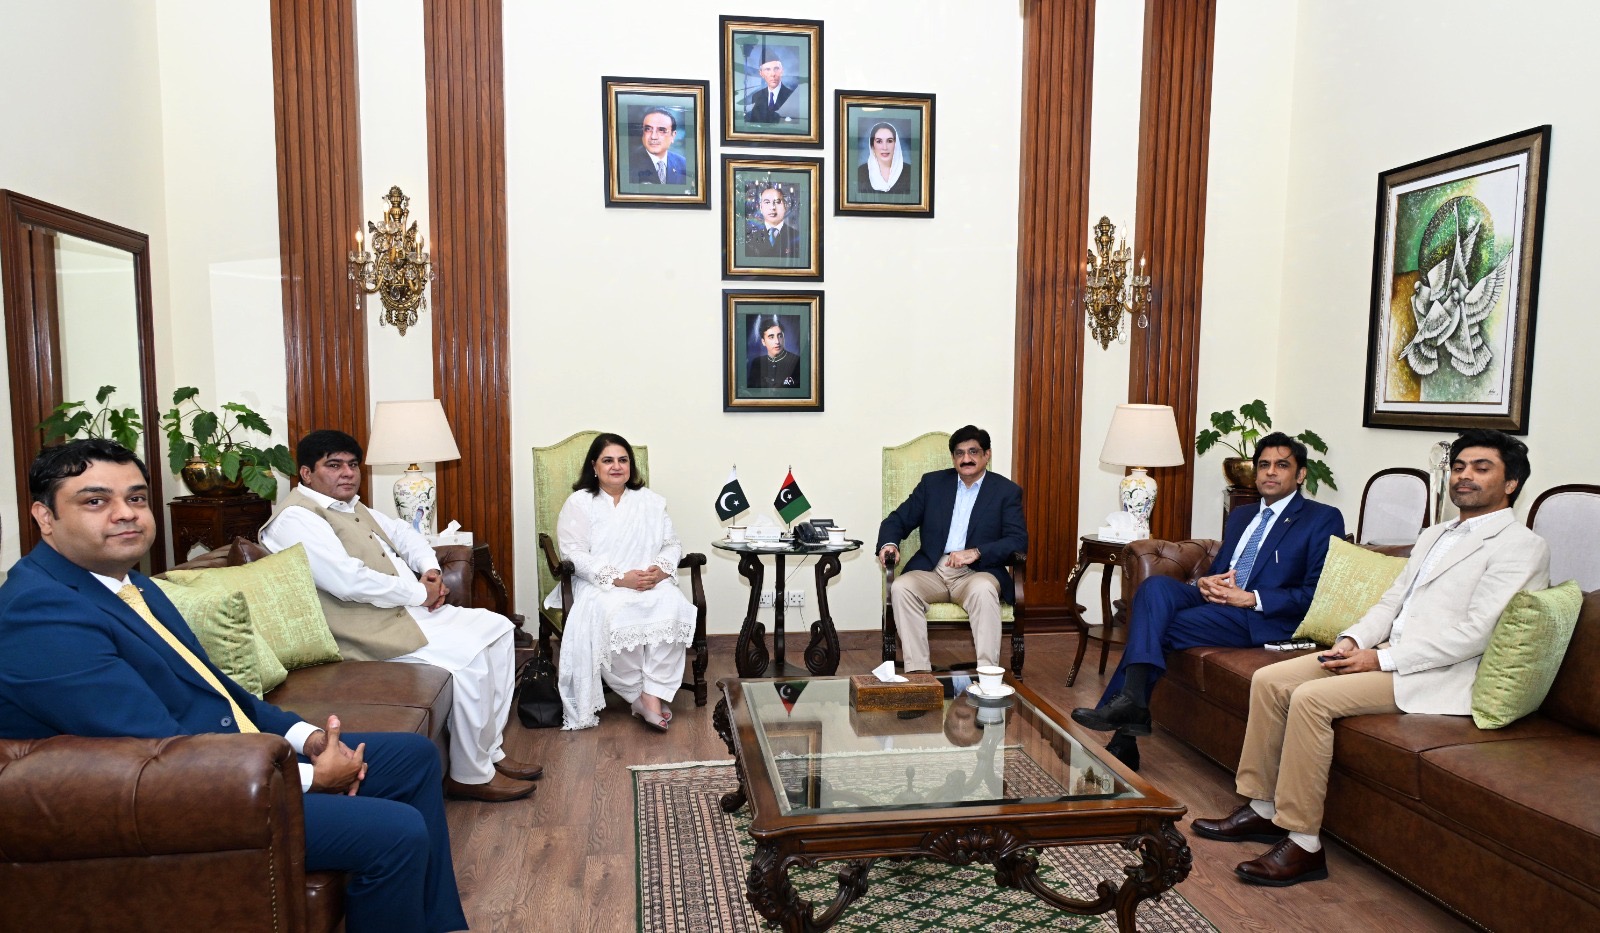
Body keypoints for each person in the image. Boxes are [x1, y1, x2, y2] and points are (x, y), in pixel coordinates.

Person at [0, 440, 468, 933]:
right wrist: (310, 777)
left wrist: (306, 738)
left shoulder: (131, 584)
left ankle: (437, 924)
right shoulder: (40, 611)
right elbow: (152, 750)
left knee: (413, 757)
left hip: (220, 755)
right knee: (395, 832)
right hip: (169, 797)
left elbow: (216, 688)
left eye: (135, 498)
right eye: (96, 501)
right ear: (45, 516)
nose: (125, 514)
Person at [1193, 429, 1549, 887]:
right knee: (1271, 681)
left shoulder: (1521, 546)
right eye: (1460, 467)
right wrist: (1351, 640)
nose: (1465, 476)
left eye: (1482, 469)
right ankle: (1263, 807)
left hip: (1437, 673)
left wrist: (1379, 661)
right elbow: (1391, 602)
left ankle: (1303, 842)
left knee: (1311, 700)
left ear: (1511, 483)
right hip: (1382, 651)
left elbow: (1474, 636)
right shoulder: (1435, 534)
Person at [260, 430, 540, 803]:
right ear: (306, 473)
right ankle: (470, 775)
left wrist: (431, 571)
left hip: (402, 613)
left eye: (352, 465)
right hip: (363, 631)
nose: (347, 473)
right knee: (469, 655)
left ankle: (490, 752)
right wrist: (420, 593)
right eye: (334, 465)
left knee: (499, 628)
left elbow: (405, 534)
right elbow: (347, 581)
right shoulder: (296, 518)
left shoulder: (351, 506)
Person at [1072, 432, 1346, 770]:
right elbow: (1221, 569)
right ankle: (1131, 714)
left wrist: (1251, 598)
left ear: (1300, 474)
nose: (1271, 472)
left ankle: (1125, 727)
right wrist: (1205, 582)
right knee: (1154, 589)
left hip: (1260, 616)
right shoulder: (1242, 515)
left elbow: (1315, 593)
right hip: (1218, 601)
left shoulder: (1321, 518)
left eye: (1282, 465)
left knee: (1157, 625)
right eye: (1264, 465)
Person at [545, 433, 696, 731]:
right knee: (616, 613)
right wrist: (618, 578)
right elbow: (573, 553)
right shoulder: (580, 503)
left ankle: (651, 693)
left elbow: (672, 544)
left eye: (623, 460)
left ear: (630, 466)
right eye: (608, 460)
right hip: (600, 584)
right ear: (594, 466)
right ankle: (637, 694)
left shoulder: (649, 501)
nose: (616, 466)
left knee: (673, 605)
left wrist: (660, 570)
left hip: (648, 580)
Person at [877, 425, 1028, 673]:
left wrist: (977, 552)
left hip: (978, 572)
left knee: (984, 591)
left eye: (973, 452)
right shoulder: (933, 484)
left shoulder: (1005, 491)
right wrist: (889, 544)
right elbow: (897, 519)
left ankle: (988, 676)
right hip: (933, 570)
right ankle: (919, 675)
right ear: (953, 457)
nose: (966, 459)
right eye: (959, 453)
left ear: (987, 455)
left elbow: (1017, 540)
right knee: (901, 588)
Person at [628, 106, 687, 186]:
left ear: (673, 136)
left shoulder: (683, 164)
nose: (653, 136)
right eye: (648, 129)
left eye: (661, 130)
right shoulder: (629, 164)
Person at [745, 183, 802, 260]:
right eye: (767, 202)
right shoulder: (750, 238)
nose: (772, 207)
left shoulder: (797, 237)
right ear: (760, 207)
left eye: (777, 202)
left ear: (785, 206)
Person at [855, 121, 911, 196]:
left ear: (896, 144)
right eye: (879, 141)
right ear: (872, 146)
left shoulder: (910, 171)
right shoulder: (860, 172)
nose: (884, 147)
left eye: (889, 141)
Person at [746, 315, 802, 389]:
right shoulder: (756, 363)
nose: (777, 341)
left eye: (780, 336)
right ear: (763, 342)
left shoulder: (797, 361)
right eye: (771, 337)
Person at [744, 50, 795, 124]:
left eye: (776, 69)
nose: (773, 74)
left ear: (782, 71)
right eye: (767, 69)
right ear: (761, 73)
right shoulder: (756, 96)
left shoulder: (792, 96)